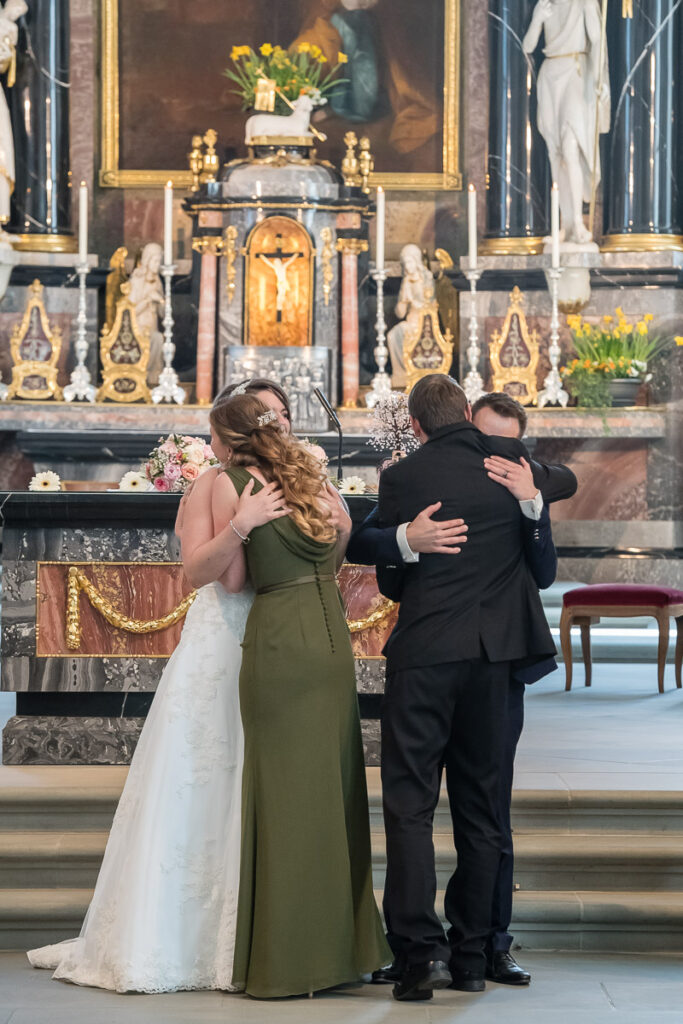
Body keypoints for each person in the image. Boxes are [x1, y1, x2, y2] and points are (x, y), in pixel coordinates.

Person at [26, 380, 296, 992]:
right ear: (235, 431)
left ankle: (245, 933)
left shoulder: (292, 479)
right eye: (266, 415)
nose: (276, 424)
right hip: (218, 643)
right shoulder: (209, 484)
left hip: (275, 636)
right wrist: (243, 527)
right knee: (198, 776)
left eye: (280, 414)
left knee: (248, 777)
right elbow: (199, 571)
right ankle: (171, 936)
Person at [348, 391, 573, 989]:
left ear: (416, 423)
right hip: (495, 661)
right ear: (467, 414)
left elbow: (359, 545)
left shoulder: (403, 474)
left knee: (410, 806)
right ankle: (472, 960)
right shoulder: (509, 460)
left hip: (424, 655)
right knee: (482, 809)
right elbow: (569, 476)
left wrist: (402, 542)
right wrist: (531, 489)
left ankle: (417, 959)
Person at [205, 393, 390, 997]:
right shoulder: (308, 477)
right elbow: (334, 555)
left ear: (229, 440)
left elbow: (231, 581)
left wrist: (243, 525)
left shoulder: (234, 484)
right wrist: (338, 530)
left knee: (281, 794)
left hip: (281, 638)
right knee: (334, 789)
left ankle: (289, 961)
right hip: (331, 637)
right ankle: (345, 948)